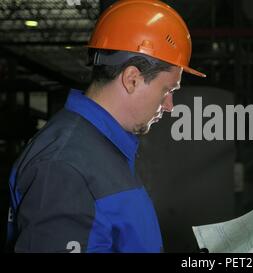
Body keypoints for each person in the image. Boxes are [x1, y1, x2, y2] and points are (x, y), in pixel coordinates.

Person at [6, 0, 205, 253]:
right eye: (167, 90)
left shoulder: (100, 147)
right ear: (132, 78)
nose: (170, 105)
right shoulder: (64, 169)